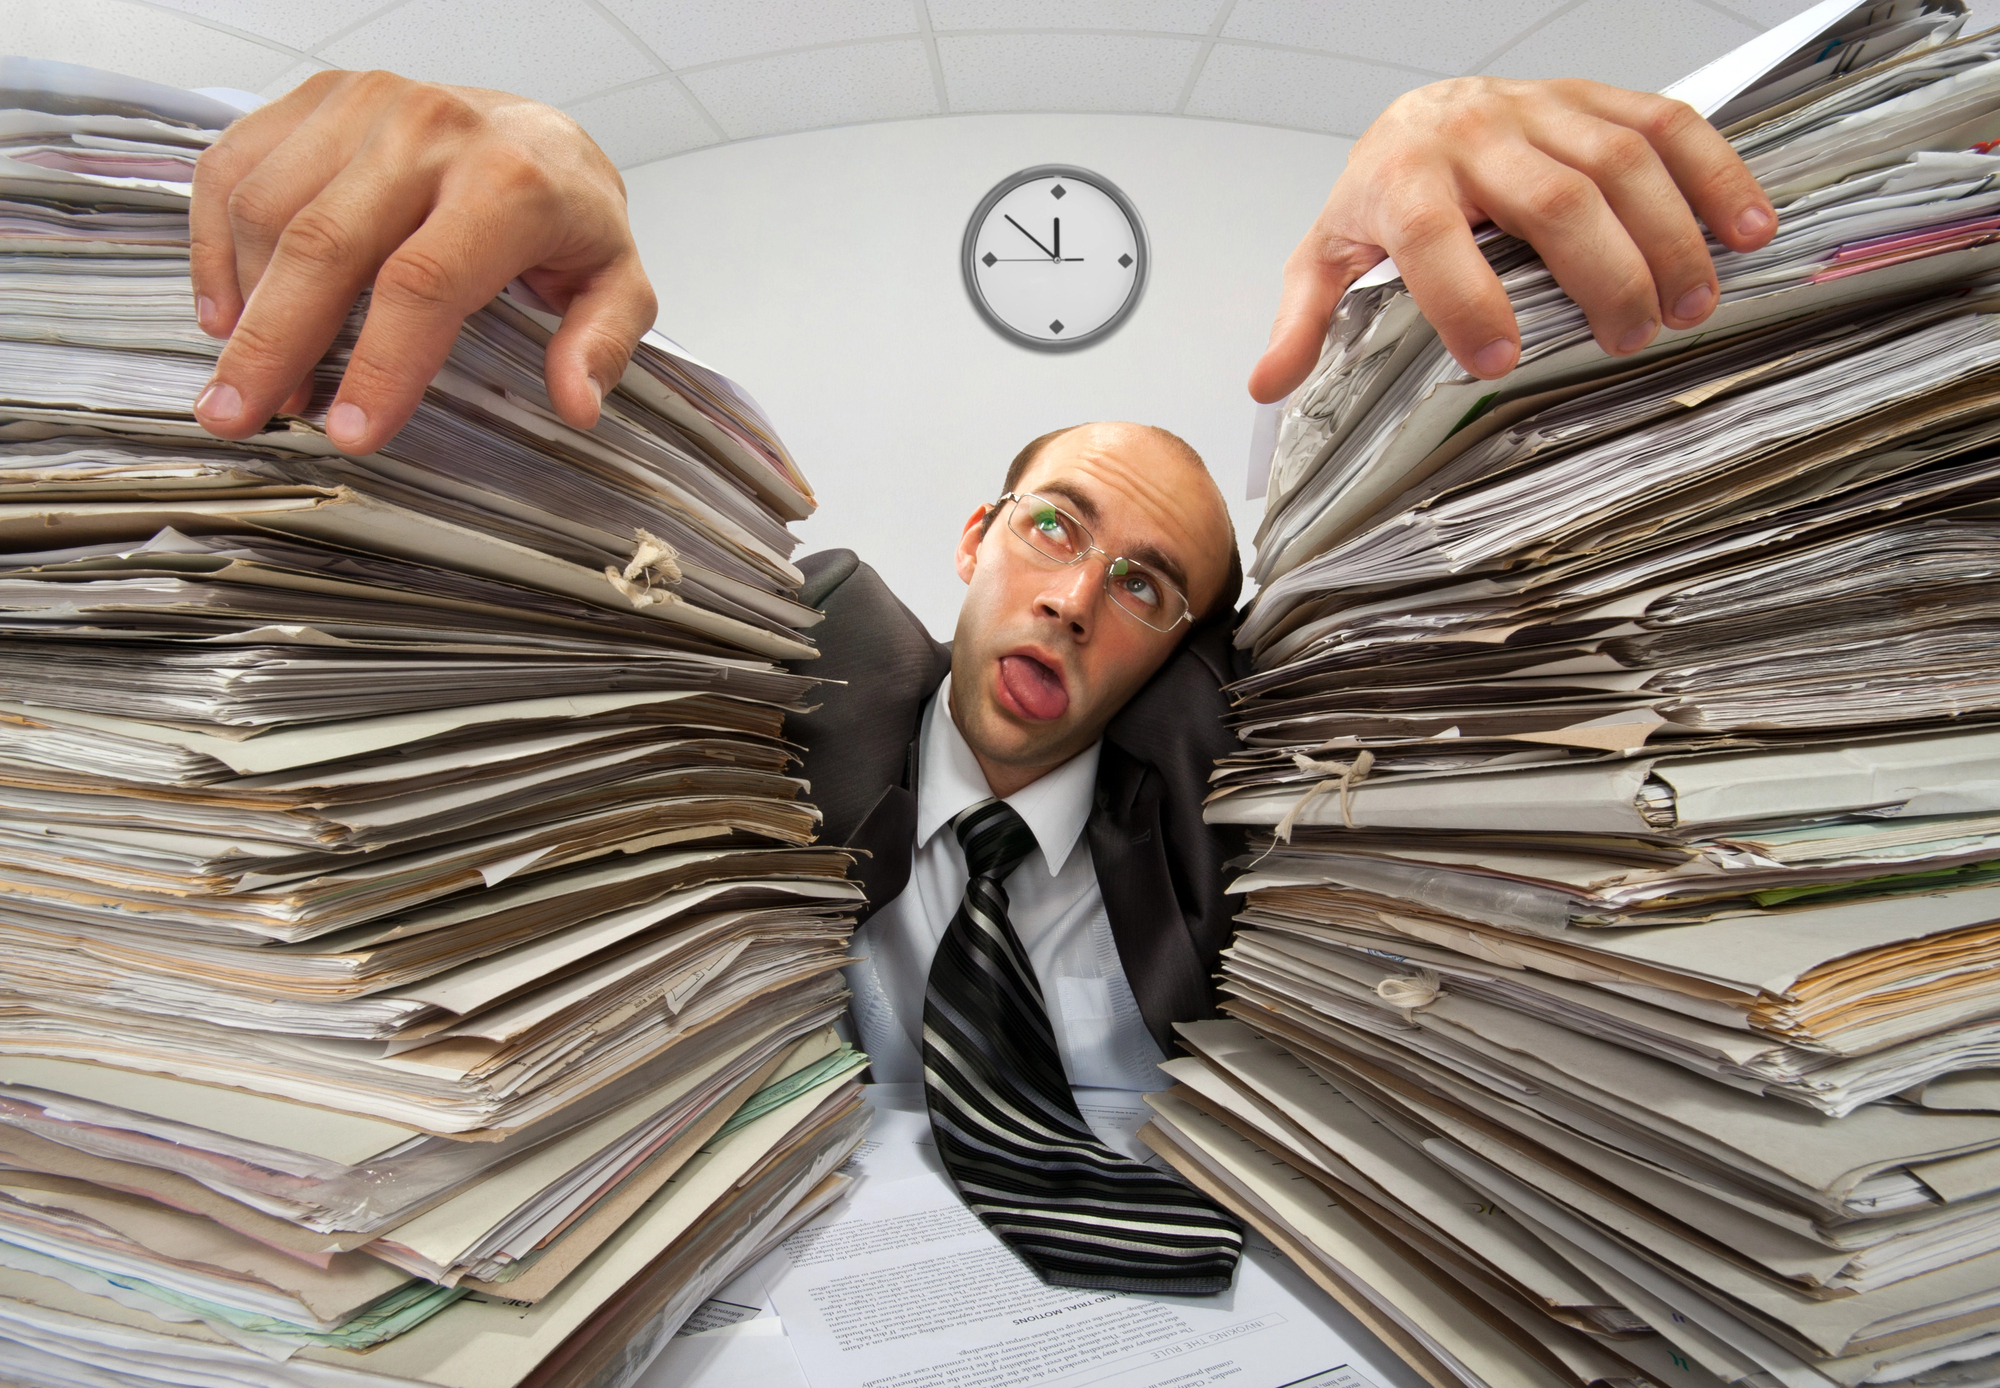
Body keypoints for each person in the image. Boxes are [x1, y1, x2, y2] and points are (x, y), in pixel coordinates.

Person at [180, 68, 1784, 1292]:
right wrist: (531, 248)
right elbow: (566, 618)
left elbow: (1382, 583)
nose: (1078, 600)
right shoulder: (780, 690)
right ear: (979, 535)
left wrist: (1407, 274)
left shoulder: (1226, 793)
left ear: (1184, 646)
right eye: (1056, 530)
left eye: (1146, 586)